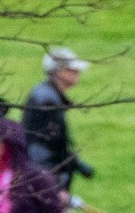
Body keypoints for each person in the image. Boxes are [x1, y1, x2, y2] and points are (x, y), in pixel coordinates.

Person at [25, 44, 91, 186]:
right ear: (60, 72)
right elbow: (45, 147)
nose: (77, 72)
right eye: (72, 69)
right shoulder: (48, 101)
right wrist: (56, 185)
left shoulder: (44, 94)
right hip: (46, 178)